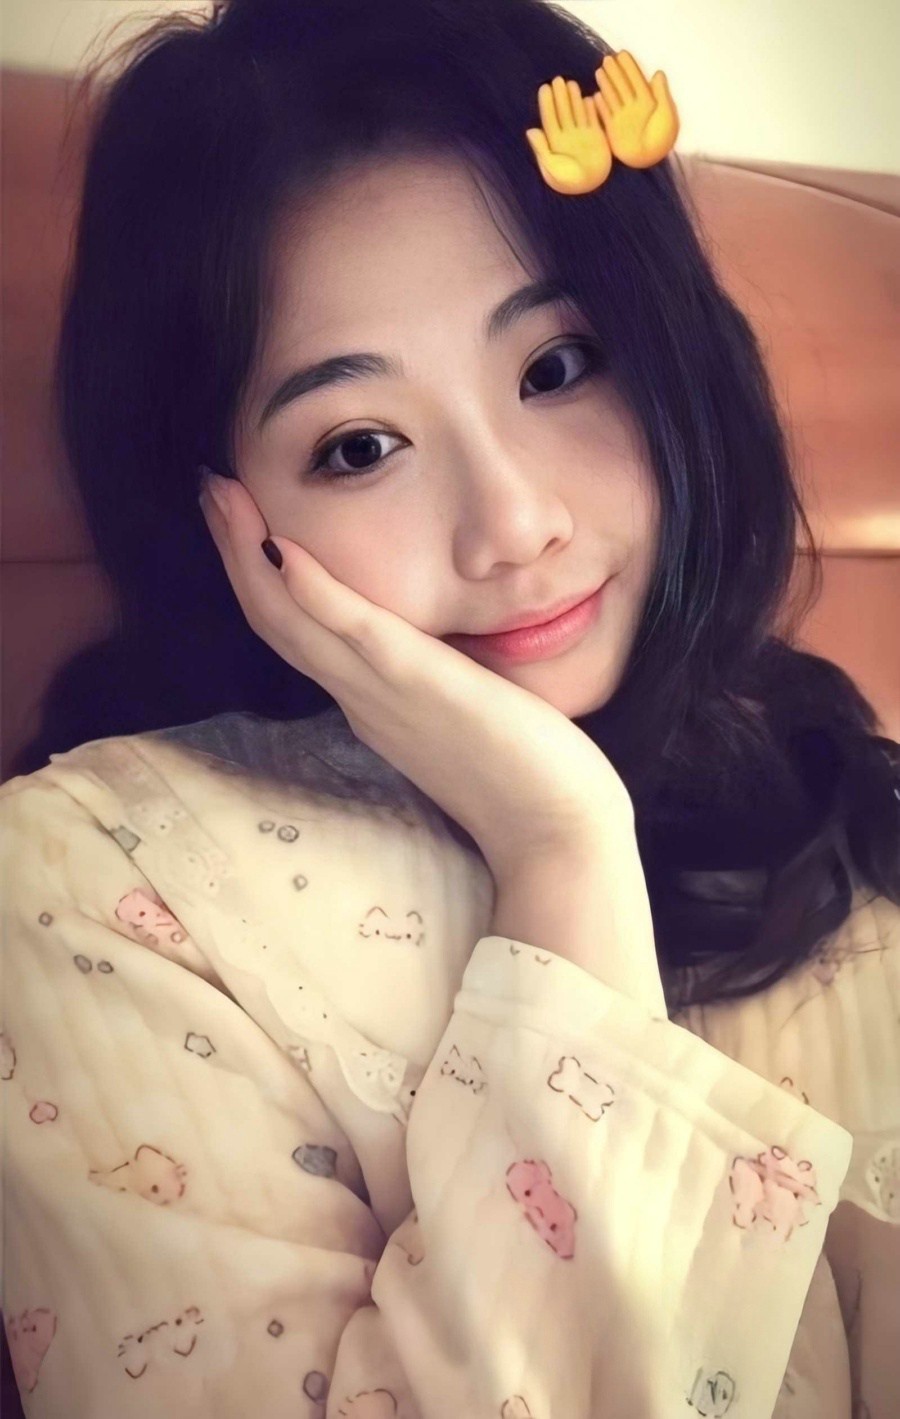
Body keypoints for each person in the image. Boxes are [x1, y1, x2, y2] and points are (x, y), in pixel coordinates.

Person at [2, 1, 898, 1415]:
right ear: (217, 510)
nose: (515, 525)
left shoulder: (844, 794)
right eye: (360, 445)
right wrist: (559, 848)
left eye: (558, 366)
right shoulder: (82, 882)